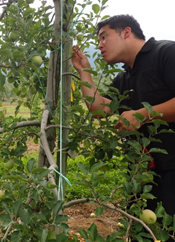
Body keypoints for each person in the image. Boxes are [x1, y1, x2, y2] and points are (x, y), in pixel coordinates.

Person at [72, 14, 175, 240]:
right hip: (144, 176)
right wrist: (84, 71)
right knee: (143, 233)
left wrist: (143, 114)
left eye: (103, 37)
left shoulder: (166, 53)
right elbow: (99, 109)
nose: (99, 45)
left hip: (172, 174)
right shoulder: (124, 78)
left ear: (126, 32)